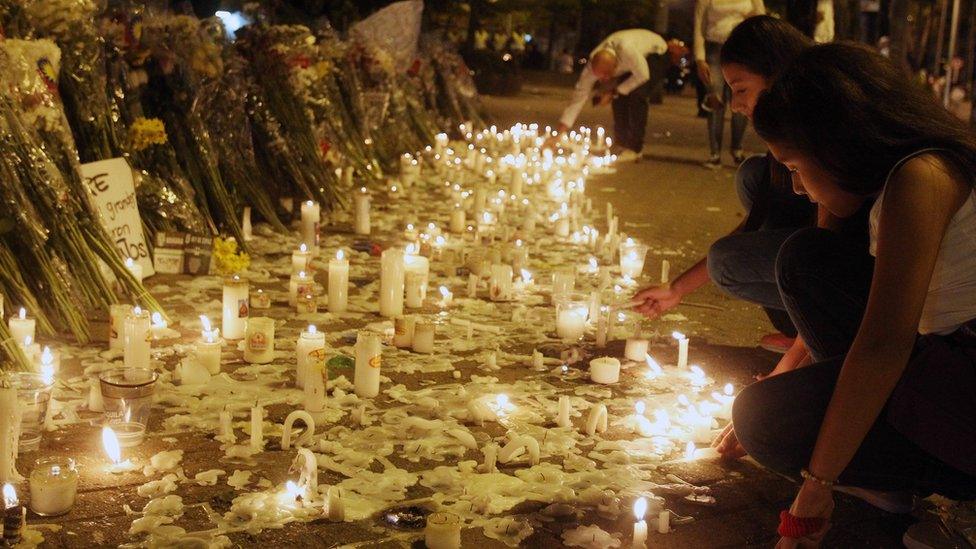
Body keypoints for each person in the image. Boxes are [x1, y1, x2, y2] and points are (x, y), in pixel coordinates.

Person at [732, 43, 976, 546]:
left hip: (964, 383)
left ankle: (939, 489)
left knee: (766, 420)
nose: (797, 188)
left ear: (837, 144)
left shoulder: (922, 177)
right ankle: (881, 469)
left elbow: (883, 344)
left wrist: (816, 487)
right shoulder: (904, 173)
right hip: (946, 358)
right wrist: (792, 368)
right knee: (808, 258)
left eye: (796, 166)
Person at [634, 17, 818, 355]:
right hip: (822, 257)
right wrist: (677, 289)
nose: (734, 105)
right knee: (753, 174)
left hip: (858, 277)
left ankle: (823, 336)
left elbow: (832, 247)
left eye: (742, 89)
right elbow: (758, 219)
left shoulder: (814, 133)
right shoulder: (790, 122)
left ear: (778, 77)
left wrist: (792, 367)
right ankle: (804, 329)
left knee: (726, 262)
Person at [549, 29, 668, 162]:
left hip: (655, 53)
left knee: (636, 95)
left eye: (607, 75)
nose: (604, 80)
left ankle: (635, 149)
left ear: (616, 65)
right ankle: (621, 144)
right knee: (619, 98)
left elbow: (643, 75)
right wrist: (558, 134)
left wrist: (613, 91)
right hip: (633, 62)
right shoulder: (592, 67)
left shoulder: (627, 52)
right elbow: (578, 97)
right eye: (600, 77)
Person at [693, 0, 765, 168]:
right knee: (715, 101)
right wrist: (699, 59)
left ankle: (737, 149)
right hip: (714, 49)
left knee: (741, 101)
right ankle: (715, 153)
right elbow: (699, 26)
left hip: (743, 50)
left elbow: (761, 21)